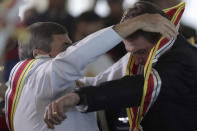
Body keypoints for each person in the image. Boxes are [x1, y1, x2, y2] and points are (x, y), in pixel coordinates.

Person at [4, 10, 177, 131]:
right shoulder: (37, 75)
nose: (71, 50)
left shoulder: (38, 85)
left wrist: (140, 51)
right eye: (66, 47)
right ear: (39, 53)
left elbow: (101, 82)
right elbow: (75, 57)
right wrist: (137, 23)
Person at [44, 2, 197, 131]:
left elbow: (136, 87)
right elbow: (105, 79)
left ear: (162, 38)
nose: (136, 61)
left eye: (141, 52)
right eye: (131, 53)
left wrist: (79, 97)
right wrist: (67, 89)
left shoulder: (186, 62)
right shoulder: (146, 52)